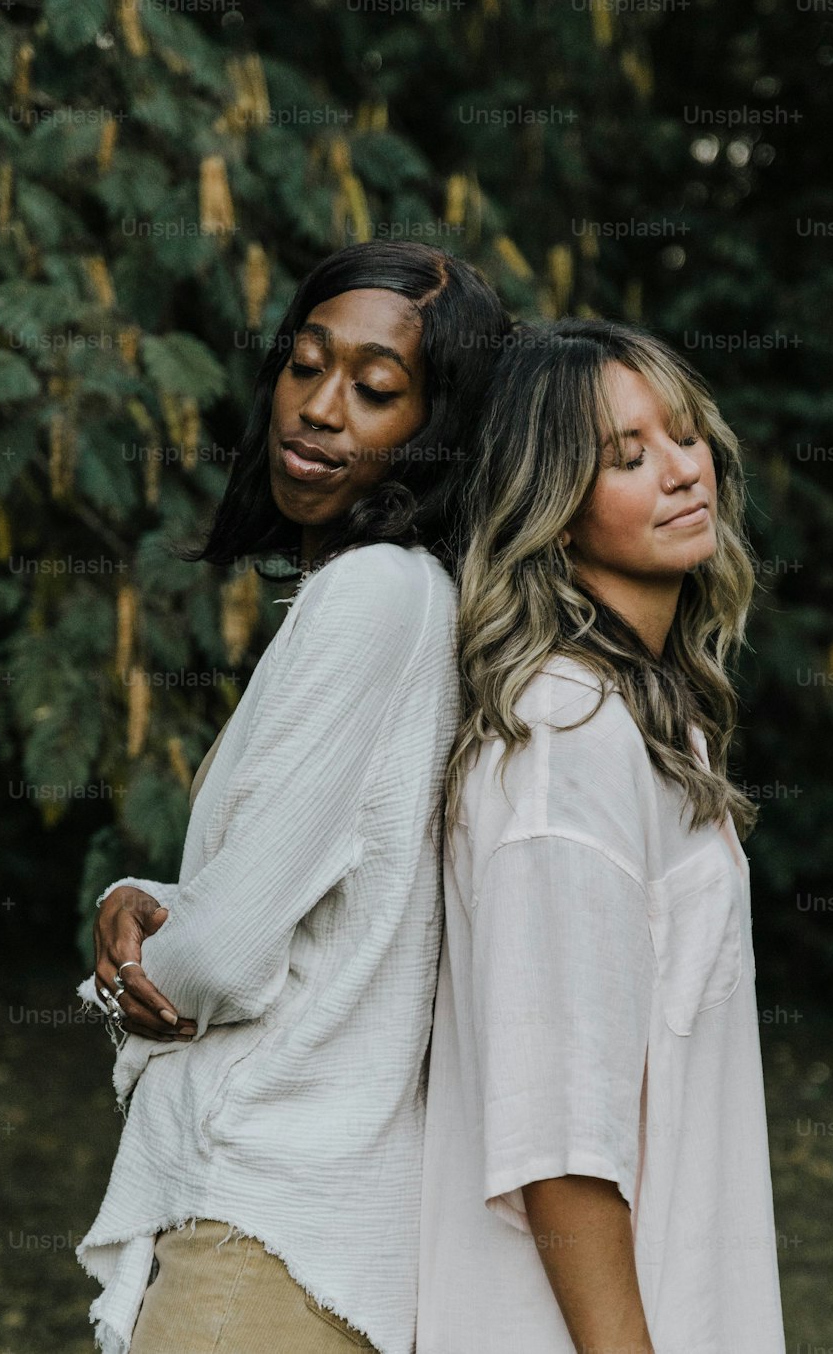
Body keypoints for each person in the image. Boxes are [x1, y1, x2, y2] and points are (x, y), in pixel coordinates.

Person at [75, 241, 510, 1354]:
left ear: (437, 427)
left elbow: (218, 959)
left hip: (258, 1228)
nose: (319, 411)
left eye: (375, 391)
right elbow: (310, 889)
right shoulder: (408, 600)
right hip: (310, 1235)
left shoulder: (371, 595)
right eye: (305, 366)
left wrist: (131, 974)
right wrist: (138, 891)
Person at [418, 319, 787, 1354]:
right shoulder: (563, 738)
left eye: (683, 436)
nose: (681, 472)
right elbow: (556, 1139)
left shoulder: (649, 717)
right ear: (555, 512)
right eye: (625, 457)